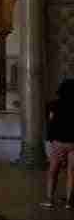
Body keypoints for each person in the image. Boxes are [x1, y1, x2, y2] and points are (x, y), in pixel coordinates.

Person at [41, 79, 74, 209]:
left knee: (53, 172)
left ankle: (49, 200)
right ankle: (69, 202)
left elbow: (50, 127)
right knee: (72, 172)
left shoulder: (52, 105)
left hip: (58, 144)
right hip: (73, 145)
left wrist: (53, 144)